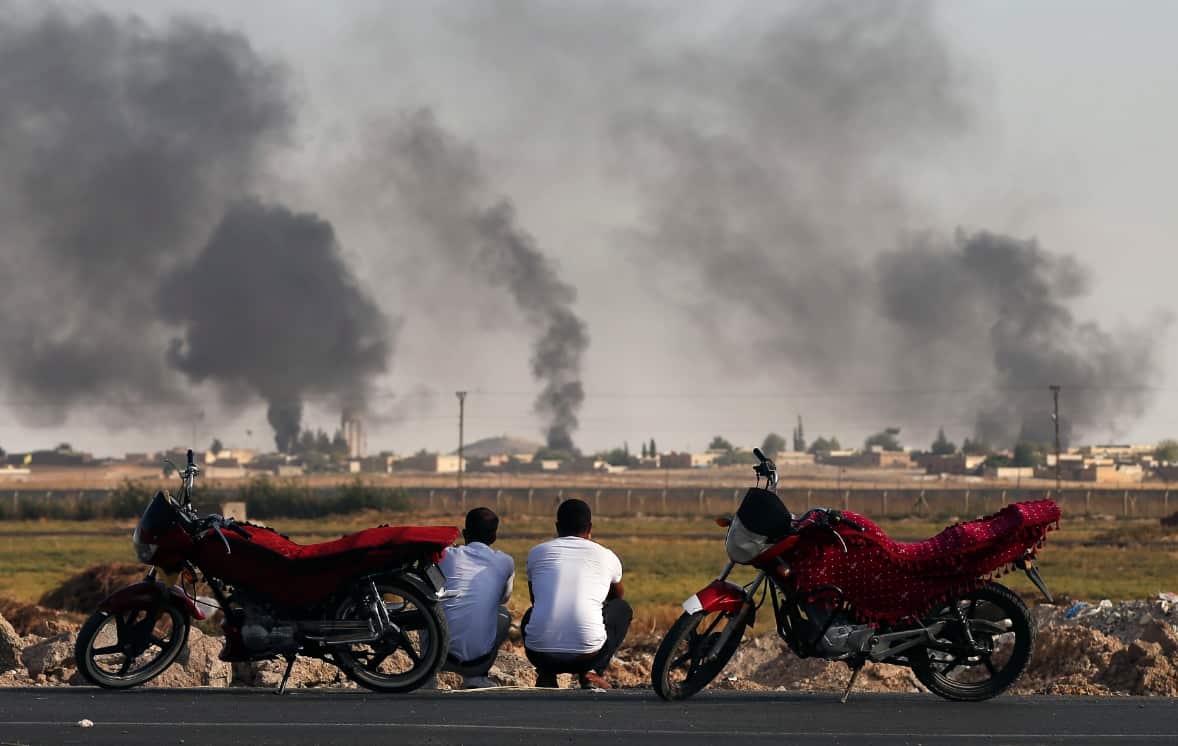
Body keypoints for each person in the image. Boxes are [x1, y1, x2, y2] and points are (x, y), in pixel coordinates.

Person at [522, 498, 632, 689]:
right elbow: (617, 597)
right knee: (622, 609)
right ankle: (592, 672)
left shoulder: (537, 553)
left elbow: (535, 599)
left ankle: (546, 674)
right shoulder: (606, 555)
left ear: (557, 527)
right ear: (590, 528)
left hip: (539, 654)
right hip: (588, 656)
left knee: (531, 613)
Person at [437, 507, 515, 689]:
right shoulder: (505, 561)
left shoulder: (446, 555)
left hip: (438, 658)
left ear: (465, 533)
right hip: (476, 663)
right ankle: (477, 677)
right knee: (503, 615)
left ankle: (428, 678)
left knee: (428, 607)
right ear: (494, 537)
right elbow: (503, 599)